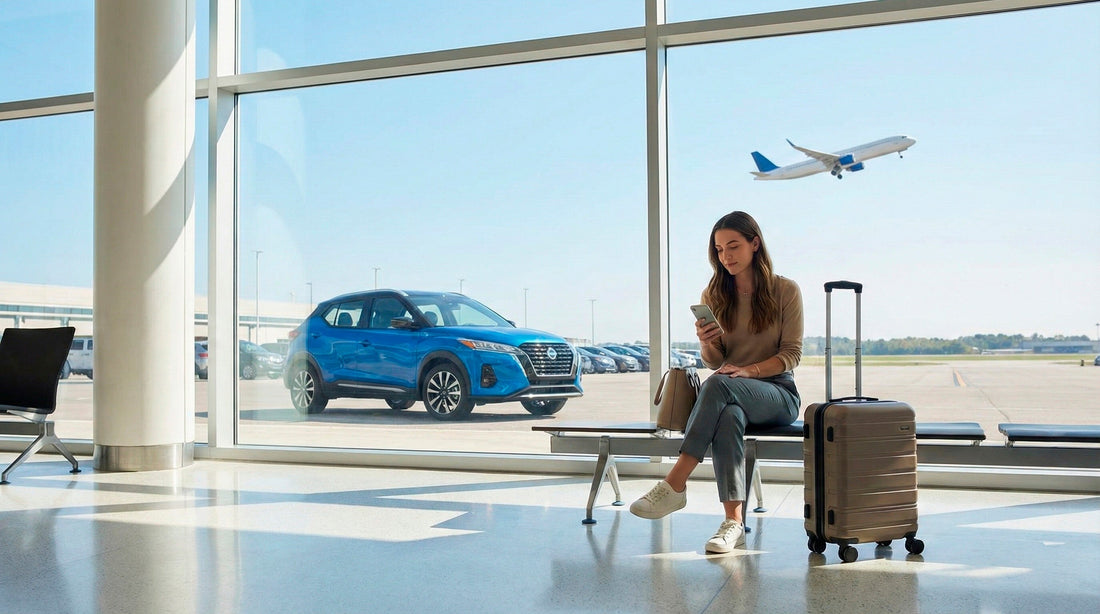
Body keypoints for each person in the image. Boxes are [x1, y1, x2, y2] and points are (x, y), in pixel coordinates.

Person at [630, 210, 804, 554]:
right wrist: (707, 341)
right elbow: (714, 361)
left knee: (720, 384)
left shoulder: (785, 290)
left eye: (734, 246)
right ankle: (733, 524)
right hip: (731, 392)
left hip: (778, 393)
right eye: (720, 249)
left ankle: (675, 481)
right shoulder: (714, 293)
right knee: (727, 416)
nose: (726, 256)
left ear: (755, 244)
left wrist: (747, 371)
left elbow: (792, 354)